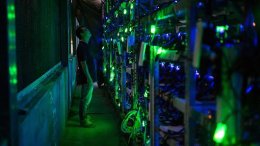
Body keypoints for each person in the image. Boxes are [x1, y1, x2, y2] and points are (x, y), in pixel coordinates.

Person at [76, 26, 96, 127]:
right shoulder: (82, 47)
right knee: (85, 99)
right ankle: (83, 120)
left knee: (87, 99)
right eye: (86, 30)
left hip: (88, 77)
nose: (88, 30)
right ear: (82, 34)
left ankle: (84, 116)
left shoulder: (84, 45)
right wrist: (88, 78)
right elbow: (83, 63)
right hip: (86, 78)